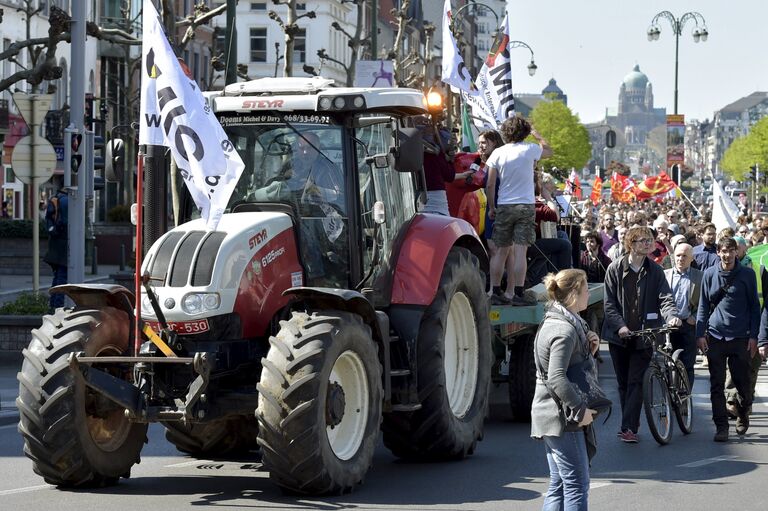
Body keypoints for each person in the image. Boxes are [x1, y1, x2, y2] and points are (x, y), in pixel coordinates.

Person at [602, 226, 681, 443]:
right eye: (643, 241)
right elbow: (609, 305)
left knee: (636, 381)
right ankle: (632, 422)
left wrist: (672, 316)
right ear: (631, 244)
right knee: (623, 383)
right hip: (619, 336)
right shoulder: (615, 269)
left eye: (650, 240)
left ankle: (627, 428)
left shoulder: (655, 271)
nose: (648, 244)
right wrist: (620, 326)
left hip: (645, 335)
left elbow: (665, 297)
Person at [531, 269, 600, 511]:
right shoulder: (565, 330)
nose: (589, 294)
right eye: (585, 289)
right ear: (573, 294)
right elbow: (557, 377)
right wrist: (581, 411)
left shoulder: (559, 321)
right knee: (576, 485)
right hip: (561, 417)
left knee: (560, 484)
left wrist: (588, 350)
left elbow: (566, 370)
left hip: (550, 413)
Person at [696, 236, 760, 442]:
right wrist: (700, 334)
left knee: (743, 383)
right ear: (718, 253)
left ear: (736, 252)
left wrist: (754, 337)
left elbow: (754, 308)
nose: (727, 255)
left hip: (740, 337)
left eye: (731, 250)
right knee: (716, 385)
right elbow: (703, 306)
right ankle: (721, 426)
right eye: (723, 251)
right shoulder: (709, 274)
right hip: (715, 336)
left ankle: (743, 411)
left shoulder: (747, 275)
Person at [486, 116, 552, 306]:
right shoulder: (530, 149)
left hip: (504, 205)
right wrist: (537, 135)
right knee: (520, 252)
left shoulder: (497, 153)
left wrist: (492, 207)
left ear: (505, 132)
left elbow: (490, 184)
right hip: (525, 205)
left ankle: (495, 291)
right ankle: (517, 293)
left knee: (500, 251)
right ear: (524, 132)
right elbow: (549, 151)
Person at [664, 243, 702, 389]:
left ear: (691, 258)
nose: (680, 259)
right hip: (669, 325)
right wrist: (668, 317)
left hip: (689, 325)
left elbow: (706, 302)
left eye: (684, 256)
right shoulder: (664, 275)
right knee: (669, 364)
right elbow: (659, 299)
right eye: (678, 255)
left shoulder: (699, 276)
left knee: (687, 365)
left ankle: (685, 399)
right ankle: (670, 396)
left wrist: (695, 316)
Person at [44, 177, 69, 310]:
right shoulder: (67, 201)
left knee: (58, 274)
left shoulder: (55, 199)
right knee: (62, 276)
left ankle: (53, 304)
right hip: (64, 242)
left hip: (54, 242)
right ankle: (58, 306)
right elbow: (66, 222)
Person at [421, 126, 456, 216]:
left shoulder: (412, 150)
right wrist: (450, 159)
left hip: (415, 198)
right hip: (437, 201)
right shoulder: (436, 152)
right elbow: (450, 176)